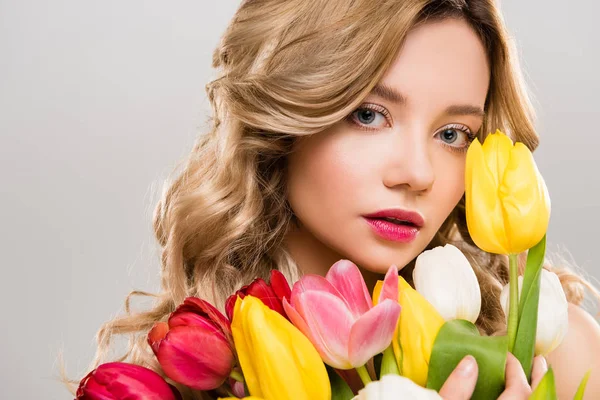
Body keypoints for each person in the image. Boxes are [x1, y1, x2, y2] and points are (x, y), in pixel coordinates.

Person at [64, 0, 600, 399]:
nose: (417, 174)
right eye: (369, 115)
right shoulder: (182, 380)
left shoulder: (554, 355)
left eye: (453, 133)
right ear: (283, 123)